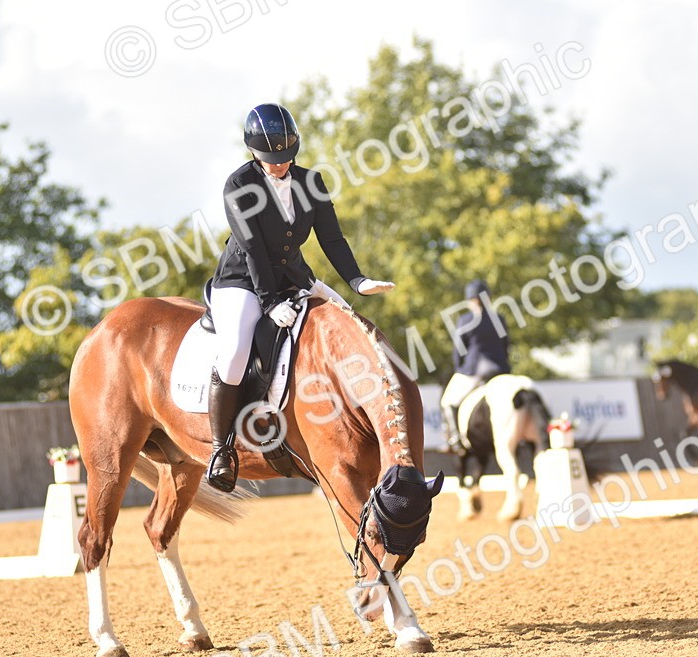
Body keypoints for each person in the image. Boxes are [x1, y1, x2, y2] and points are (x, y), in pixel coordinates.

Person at [205, 102, 395, 492]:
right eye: (271, 159)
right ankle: (221, 449)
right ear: (253, 153)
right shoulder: (238, 185)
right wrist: (270, 302)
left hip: (294, 277)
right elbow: (254, 248)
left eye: (286, 158)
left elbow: (332, 238)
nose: (279, 165)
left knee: (347, 324)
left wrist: (356, 281)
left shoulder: (311, 182)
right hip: (242, 282)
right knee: (237, 350)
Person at [439, 279, 511, 454]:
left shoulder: (465, 319)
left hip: (475, 370)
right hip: (500, 370)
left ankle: (455, 440)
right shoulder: (499, 318)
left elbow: (459, 350)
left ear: (471, 299)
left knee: (447, 401)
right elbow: (506, 345)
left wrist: (460, 369)